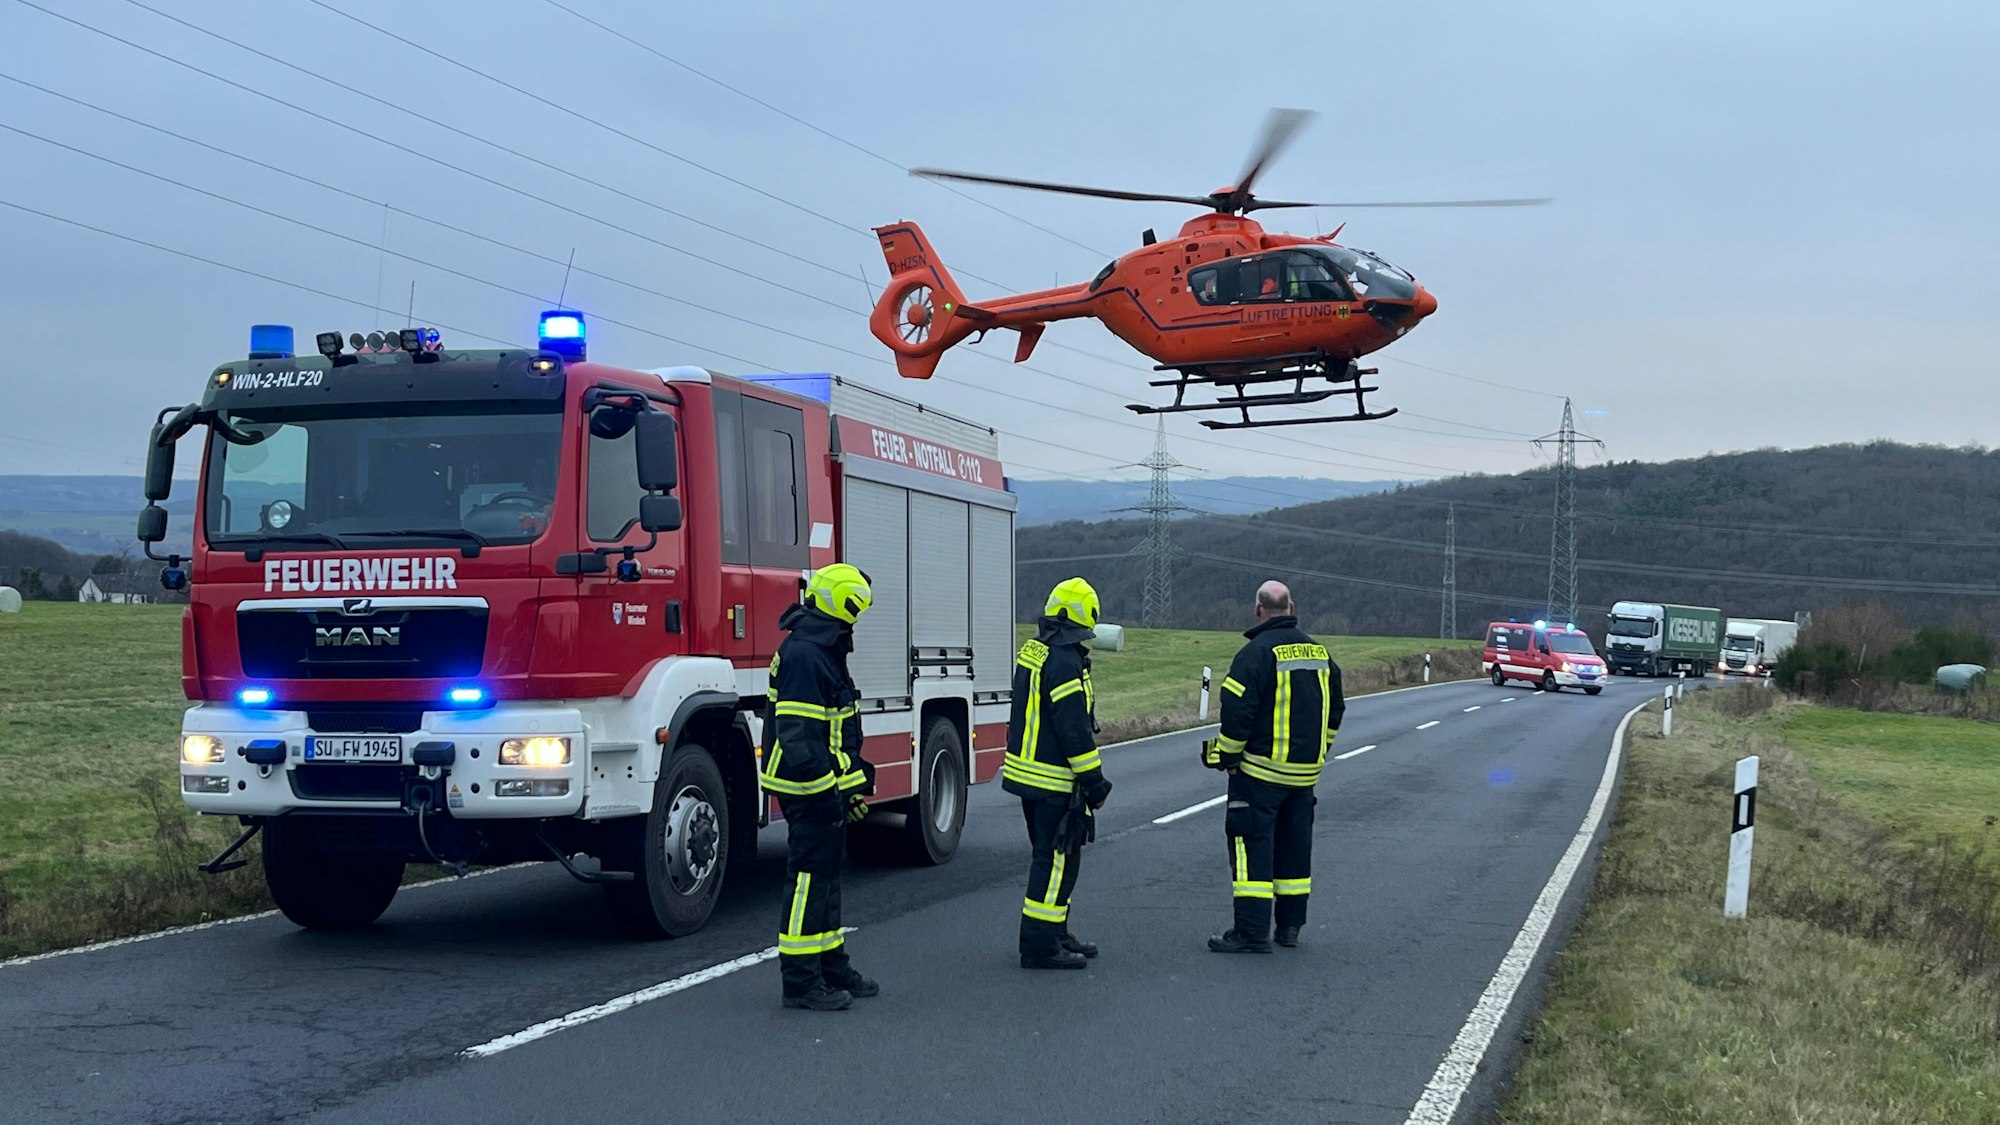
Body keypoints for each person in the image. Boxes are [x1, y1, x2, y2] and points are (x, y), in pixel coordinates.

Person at [1202, 581, 1344, 952]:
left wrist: (1229, 759)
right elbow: (1336, 710)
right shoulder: (1320, 653)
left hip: (1260, 775)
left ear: (1258, 609)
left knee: (1252, 849)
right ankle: (1290, 928)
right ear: (1292, 606)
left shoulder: (1254, 654)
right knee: (1295, 850)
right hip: (1304, 777)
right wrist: (1319, 753)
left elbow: (1237, 713)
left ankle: (1251, 933)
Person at [762, 563, 879, 1010]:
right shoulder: (808, 656)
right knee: (809, 881)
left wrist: (848, 790)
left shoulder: (819, 648)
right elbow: (799, 738)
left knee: (827, 878)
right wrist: (827, 794)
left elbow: (832, 735)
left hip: (820, 786)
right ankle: (801, 981)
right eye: (855, 613)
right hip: (806, 788)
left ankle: (831, 964)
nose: (856, 623)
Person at [1003, 577, 1113, 970]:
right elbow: (1074, 731)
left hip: (1028, 777)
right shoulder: (1065, 661)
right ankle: (1040, 945)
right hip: (1053, 781)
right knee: (1054, 862)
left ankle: (1056, 932)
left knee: (1052, 859)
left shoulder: (1035, 650)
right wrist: (1095, 784)